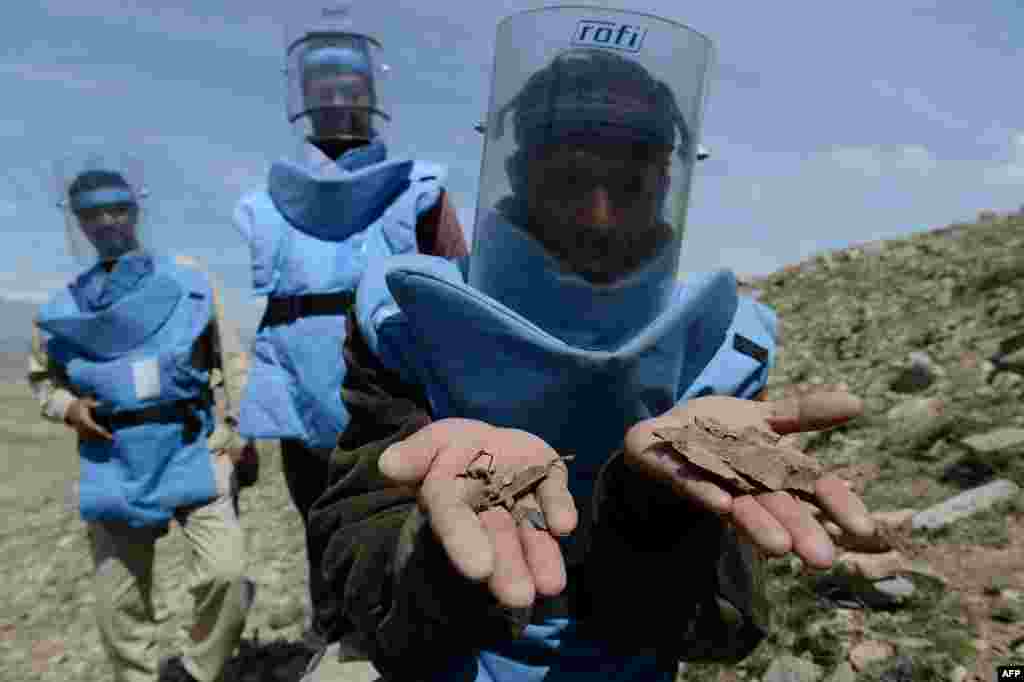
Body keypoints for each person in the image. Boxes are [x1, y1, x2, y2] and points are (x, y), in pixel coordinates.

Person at [306, 7, 877, 681]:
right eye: (571, 179)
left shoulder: (719, 348)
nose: (599, 216)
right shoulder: (411, 322)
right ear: (518, 174)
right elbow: (349, 563)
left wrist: (654, 512)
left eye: (631, 182)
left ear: (667, 185)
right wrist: (436, 552)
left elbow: (725, 626)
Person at [231, 3, 468, 650]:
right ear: (303, 96)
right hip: (299, 404)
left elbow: (459, 292)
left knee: (395, 522)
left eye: (350, 87)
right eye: (323, 87)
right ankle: (331, 642)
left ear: (372, 95)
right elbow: (275, 309)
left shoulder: (419, 190)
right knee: (319, 528)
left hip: (392, 403)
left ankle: (400, 638)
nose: (337, 99)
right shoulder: (267, 204)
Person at [29, 152, 256, 682]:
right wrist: (69, 407)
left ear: (135, 212)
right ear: (79, 223)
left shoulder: (188, 281)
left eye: (117, 210)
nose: (107, 222)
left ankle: (198, 673)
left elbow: (231, 357)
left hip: (192, 444)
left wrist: (241, 430)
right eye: (93, 214)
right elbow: (45, 380)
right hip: (113, 457)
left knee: (226, 572)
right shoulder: (63, 308)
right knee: (119, 600)